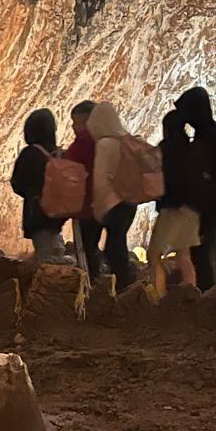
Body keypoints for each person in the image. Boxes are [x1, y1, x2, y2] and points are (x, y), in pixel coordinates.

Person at [177, 87, 216, 288]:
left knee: (202, 247)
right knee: (206, 245)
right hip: (212, 199)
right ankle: (213, 288)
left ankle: (209, 291)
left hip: (206, 201)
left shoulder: (207, 137)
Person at [85, 101, 139, 290]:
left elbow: (100, 181)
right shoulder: (127, 139)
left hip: (113, 204)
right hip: (130, 202)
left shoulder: (105, 144)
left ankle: (124, 288)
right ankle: (126, 286)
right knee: (118, 245)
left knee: (113, 250)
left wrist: (98, 209)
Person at [147, 109, 200, 293]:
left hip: (172, 208)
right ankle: (191, 296)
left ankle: (157, 298)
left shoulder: (164, 149)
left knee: (154, 255)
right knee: (184, 255)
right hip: (192, 208)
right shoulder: (192, 148)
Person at [11, 108, 67, 262]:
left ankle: (52, 280)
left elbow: (17, 183)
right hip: (59, 212)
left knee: (45, 253)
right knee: (52, 240)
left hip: (37, 210)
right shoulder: (60, 153)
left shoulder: (30, 154)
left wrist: (33, 192)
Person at [65, 100, 100, 275]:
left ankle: (91, 283)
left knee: (86, 248)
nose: (73, 127)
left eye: (76, 122)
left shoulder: (81, 146)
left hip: (87, 206)